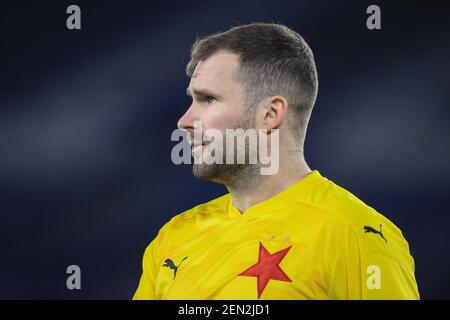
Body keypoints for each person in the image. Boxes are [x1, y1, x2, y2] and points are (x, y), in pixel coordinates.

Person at [133, 23, 419, 299]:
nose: (185, 121)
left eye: (208, 99)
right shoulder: (173, 237)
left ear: (270, 113)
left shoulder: (354, 235)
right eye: (191, 100)